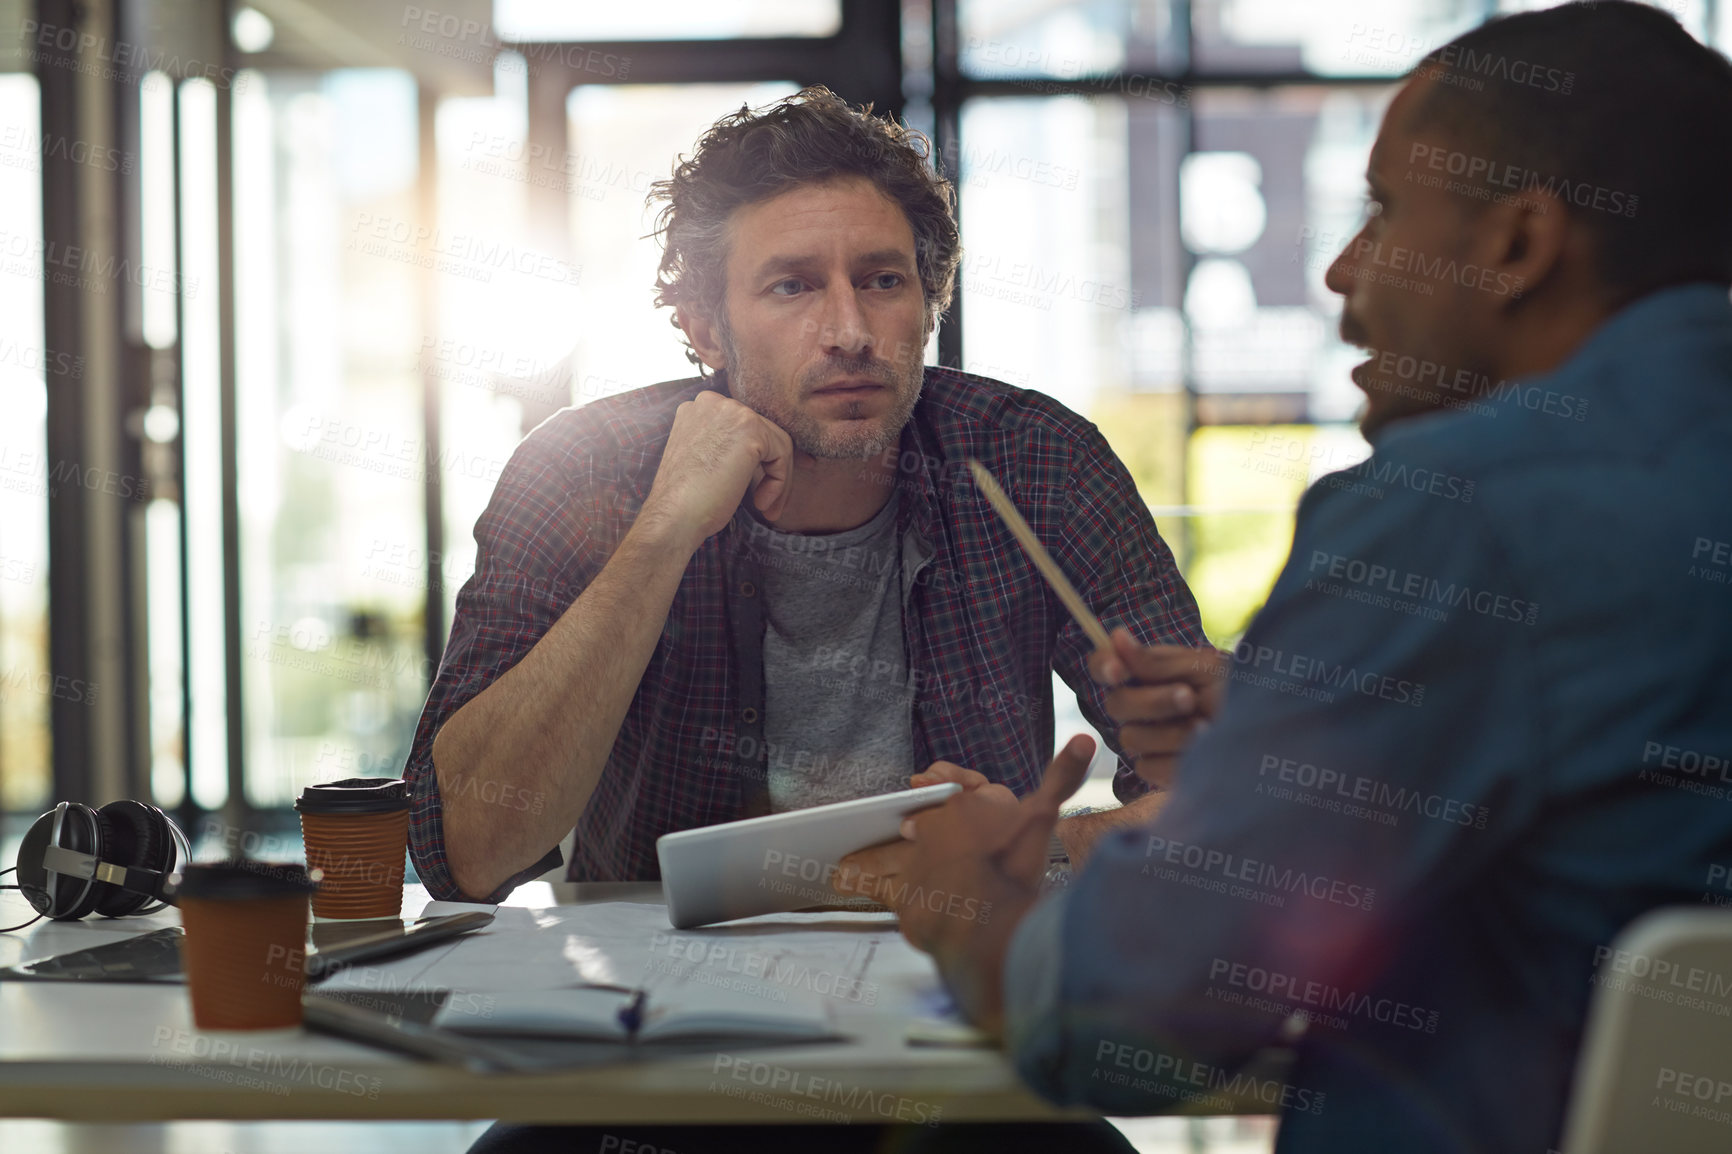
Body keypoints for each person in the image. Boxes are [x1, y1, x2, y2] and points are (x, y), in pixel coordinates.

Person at [871, 4, 1732, 1152]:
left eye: (1384, 213)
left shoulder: (1452, 511)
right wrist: (1301, 726)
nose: (1339, 269)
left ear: (1518, 244)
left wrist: (970, 905)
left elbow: (1128, 1011)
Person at [402, 87, 1205, 913]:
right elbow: (464, 853)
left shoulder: (1033, 457)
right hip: (660, 988)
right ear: (707, 329)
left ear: (929, 308)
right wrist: (663, 530)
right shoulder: (583, 468)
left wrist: (1045, 848)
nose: (850, 330)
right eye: (792, 287)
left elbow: (1224, 798)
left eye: (883, 280)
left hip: (964, 964)